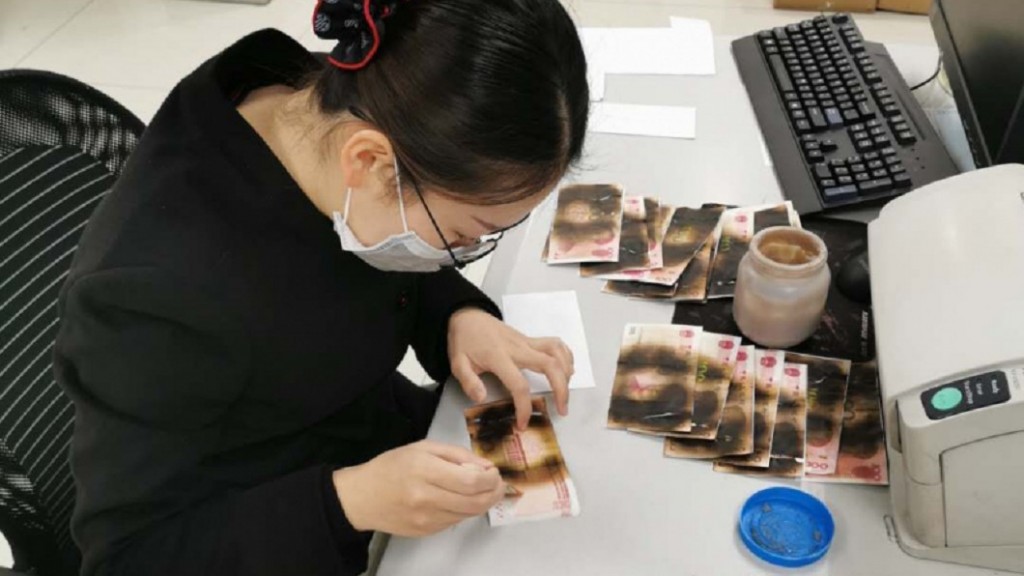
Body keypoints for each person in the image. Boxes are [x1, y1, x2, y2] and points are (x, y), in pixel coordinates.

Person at [53, 0, 589, 574]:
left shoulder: (328, 104)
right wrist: (348, 502)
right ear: (370, 161)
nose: (457, 257)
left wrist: (458, 315)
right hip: (268, 525)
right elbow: (129, 557)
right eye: (463, 237)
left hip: (370, 433)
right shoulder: (155, 301)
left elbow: (383, 236)